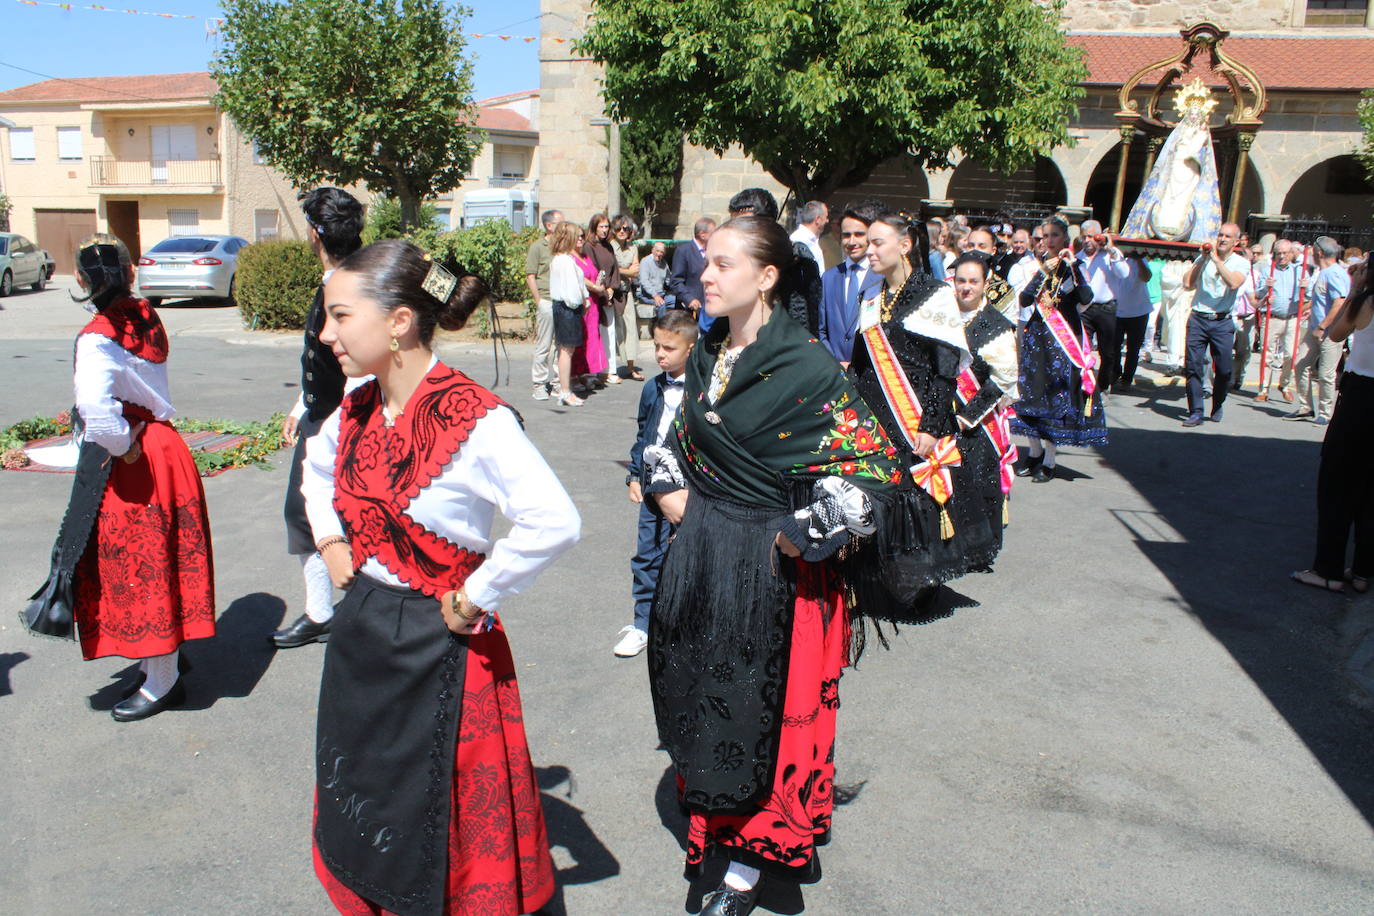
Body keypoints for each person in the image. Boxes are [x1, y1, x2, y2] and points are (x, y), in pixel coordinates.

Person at [301, 239, 580, 916]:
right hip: (364, 634)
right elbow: (315, 466)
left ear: (398, 321)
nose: (325, 333)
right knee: (369, 792)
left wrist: (478, 595)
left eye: (340, 316)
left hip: (443, 645)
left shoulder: (478, 420)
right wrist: (332, 541)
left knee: (440, 815)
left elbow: (554, 520)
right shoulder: (358, 402)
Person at [646, 216, 902, 916]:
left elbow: (878, 470)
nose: (705, 276)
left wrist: (808, 528)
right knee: (706, 700)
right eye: (706, 262)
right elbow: (677, 440)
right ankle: (717, 832)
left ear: (765, 278)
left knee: (762, 717)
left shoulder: (806, 367)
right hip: (703, 557)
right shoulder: (707, 351)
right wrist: (669, 488)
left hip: (771, 571)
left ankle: (746, 871)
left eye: (722, 265)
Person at [40, 235, 215, 721]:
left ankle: (163, 682)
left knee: (143, 567)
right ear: (131, 274)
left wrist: (121, 444)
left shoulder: (97, 336)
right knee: (163, 558)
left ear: (81, 279)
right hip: (166, 446)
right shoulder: (145, 314)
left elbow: (96, 410)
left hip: (136, 456)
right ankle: (164, 662)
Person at [848, 213, 986, 595]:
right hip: (875, 415)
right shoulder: (871, 295)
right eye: (867, 242)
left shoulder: (934, 294)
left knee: (913, 499)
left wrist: (929, 426)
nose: (868, 250)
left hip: (915, 415)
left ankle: (914, 584)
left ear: (905, 245)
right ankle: (875, 577)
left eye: (877, 242)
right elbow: (861, 363)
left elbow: (946, 370)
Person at [276, 187, 365, 650]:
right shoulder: (346, 277)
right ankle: (326, 612)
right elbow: (323, 359)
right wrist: (301, 406)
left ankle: (327, 614)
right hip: (326, 413)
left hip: (343, 421)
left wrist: (335, 427)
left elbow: (358, 364)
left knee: (315, 515)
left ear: (315, 234)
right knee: (311, 515)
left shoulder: (347, 286)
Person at [615, 309, 699, 658]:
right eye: (657, 346)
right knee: (648, 554)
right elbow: (643, 434)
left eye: (669, 348)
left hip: (690, 487)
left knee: (688, 554)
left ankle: (686, 625)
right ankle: (643, 624)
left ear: (690, 349)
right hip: (653, 485)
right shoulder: (652, 388)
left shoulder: (704, 389)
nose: (660, 354)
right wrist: (635, 475)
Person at [1291, 264, 1373, 593]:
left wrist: (1355, 291)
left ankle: (1328, 569)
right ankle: (1364, 571)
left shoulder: (1364, 301)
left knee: (1338, 485)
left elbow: (1337, 334)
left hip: (1362, 397)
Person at [1011, 217, 1105, 481]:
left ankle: (1049, 460)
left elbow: (1086, 297)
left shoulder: (1075, 267)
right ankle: (1034, 452)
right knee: (1031, 394)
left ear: (1065, 238)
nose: (1049, 241)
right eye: (1045, 236)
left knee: (1055, 398)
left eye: (1054, 235)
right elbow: (1025, 300)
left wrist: (1072, 266)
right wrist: (1043, 271)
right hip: (1037, 338)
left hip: (1061, 341)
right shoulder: (1038, 266)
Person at [948, 252, 1019, 558]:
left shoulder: (996, 324)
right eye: (961, 280)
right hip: (942, 411)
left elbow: (1002, 380)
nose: (966, 287)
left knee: (974, 480)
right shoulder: (942, 316)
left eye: (973, 281)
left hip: (977, 419)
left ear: (985, 283)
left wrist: (967, 417)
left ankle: (975, 547)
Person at [1180, 223, 1247, 427]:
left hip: (1222, 321)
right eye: (1220, 235)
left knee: (1224, 370)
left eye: (1228, 236)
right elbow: (1187, 284)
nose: (1222, 239)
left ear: (1236, 241)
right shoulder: (1204, 258)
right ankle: (1196, 411)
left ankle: (1218, 403)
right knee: (1193, 366)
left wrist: (1216, 260)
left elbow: (1233, 283)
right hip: (1198, 319)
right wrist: (1202, 260)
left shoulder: (1241, 262)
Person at [1287, 237, 1350, 425]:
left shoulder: (1334, 273)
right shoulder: (1323, 272)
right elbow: (1323, 301)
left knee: (1326, 374)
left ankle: (1325, 413)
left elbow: (1339, 302)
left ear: (1319, 253)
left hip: (1329, 332)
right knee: (1300, 364)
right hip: (1314, 329)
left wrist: (1323, 326)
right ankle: (1306, 407)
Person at [818, 201, 883, 363]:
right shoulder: (829, 278)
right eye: (846, 235)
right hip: (834, 370)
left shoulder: (881, 277)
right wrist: (836, 364)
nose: (852, 241)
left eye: (859, 234)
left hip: (869, 370)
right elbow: (821, 330)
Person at [550, 221, 602, 406]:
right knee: (566, 350)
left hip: (565, 307)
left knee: (566, 350)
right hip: (567, 308)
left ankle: (565, 390)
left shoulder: (562, 258)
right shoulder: (564, 260)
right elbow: (571, 290)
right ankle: (565, 391)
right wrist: (581, 302)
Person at [1075, 220, 1130, 392]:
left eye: (1091, 236)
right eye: (1084, 237)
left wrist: (1111, 250)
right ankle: (1085, 385)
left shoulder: (1110, 255)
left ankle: (1104, 385)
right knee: (1083, 349)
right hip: (1085, 309)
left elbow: (1124, 273)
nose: (1087, 240)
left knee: (1108, 352)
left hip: (1107, 308)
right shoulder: (1078, 257)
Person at [1255, 239, 1303, 402]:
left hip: (1292, 318)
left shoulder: (1299, 271)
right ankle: (1264, 389)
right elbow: (1259, 294)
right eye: (1278, 253)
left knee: (1291, 354)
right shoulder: (1268, 271)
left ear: (1291, 254)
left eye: (1285, 253)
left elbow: (1309, 294)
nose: (1281, 256)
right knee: (1267, 354)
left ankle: (1284, 384)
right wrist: (1265, 287)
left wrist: (1305, 285)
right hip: (1272, 318)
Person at [525, 208, 563, 400]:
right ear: (549, 225)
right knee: (544, 345)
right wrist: (538, 300)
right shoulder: (538, 247)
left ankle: (557, 383)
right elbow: (530, 275)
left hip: (562, 301)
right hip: (547, 300)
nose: (563, 227)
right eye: (559, 223)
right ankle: (539, 384)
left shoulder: (563, 246)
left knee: (561, 346)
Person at [583, 213, 622, 384]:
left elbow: (614, 269)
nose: (605, 230)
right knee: (594, 334)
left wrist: (612, 287)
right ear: (594, 227)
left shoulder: (609, 246)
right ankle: (594, 371)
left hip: (608, 296)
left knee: (609, 332)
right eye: (601, 227)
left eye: (607, 227)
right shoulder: (588, 246)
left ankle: (609, 370)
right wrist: (602, 289)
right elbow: (592, 270)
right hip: (595, 295)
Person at [572, 224, 610, 390]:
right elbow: (579, 277)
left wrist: (599, 285)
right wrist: (595, 287)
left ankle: (588, 373)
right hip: (582, 302)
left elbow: (593, 275)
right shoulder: (570, 258)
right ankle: (575, 375)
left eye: (582, 235)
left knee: (592, 339)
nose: (580, 239)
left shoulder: (585, 256)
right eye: (577, 236)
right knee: (580, 340)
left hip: (593, 303)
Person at [1111, 253, 1154, 391]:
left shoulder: (1141, 259)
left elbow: (1146, 277)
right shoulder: (1115, 256)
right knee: (1113, 347)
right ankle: (1115, 373)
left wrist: (1138, 259)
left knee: (1133, 349)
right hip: (1117, 310)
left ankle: (1127, 379)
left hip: (1139, 311)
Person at [610, 215, 645, 381]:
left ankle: (630, 368)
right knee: (613, 331)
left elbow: (635, 271)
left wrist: (622, 270)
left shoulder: (633, 248)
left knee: (631, 329)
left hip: (627, 292)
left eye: (625, 228)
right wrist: (626, 271)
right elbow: (610, 269)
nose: (622, 231)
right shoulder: (610, 247)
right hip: (612, 292)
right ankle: (610, 369)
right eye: (618, 228)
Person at [670, 217, 715, 333]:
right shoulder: (684, 251)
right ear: (702, 234)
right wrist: (689, 299)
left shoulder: (712, 252)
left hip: (709, 309)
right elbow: (676, 282)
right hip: (690, 312)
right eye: (713, 232)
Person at [637, 241, 676, 315]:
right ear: (652, 250)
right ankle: (663, 322)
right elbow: (644, 282)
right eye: (657, 251)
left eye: (661, 252)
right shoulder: (645, 261)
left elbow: (669, 280)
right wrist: (655, 295)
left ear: (664, 253)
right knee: (661, 304)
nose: (659, 254)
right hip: (647, 295)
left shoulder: (664, 264)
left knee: (678, 300)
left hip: (661, 294)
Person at [789, 199, 828, 266]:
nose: (827, 220)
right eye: (826, 217)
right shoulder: (797, 241)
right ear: (818, 220)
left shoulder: (815, 240)